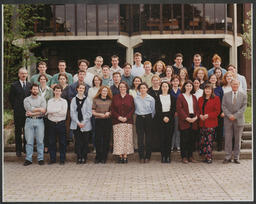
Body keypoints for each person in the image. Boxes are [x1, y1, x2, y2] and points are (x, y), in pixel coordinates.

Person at [222, 79, 247, 164]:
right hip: (228, 120)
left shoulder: (243, 95)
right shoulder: (225, 95)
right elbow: (223, 106)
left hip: (239, 120)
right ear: (231, 85)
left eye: (236, 84)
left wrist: (235, 116)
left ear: (239, 85)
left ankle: (236, 157)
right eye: (233, 84)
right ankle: (227, 157)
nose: (235, 86)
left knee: (237, 139)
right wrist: (229, 115)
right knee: (228, 139)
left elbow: (243, 108)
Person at [9, 67, 32, 157]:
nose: (23, 75)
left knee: (27, 131)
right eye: (22, 73)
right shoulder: (14, 85)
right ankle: (18, 150)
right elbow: (11, 99)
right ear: (19, 74)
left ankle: (25, 149)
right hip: (18, 112)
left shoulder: (30, 85)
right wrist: (15, 107)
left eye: (25, 73)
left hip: (27, 112)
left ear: (27, 75)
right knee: (18, 131)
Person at [176, 80, 200, 164]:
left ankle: (191, 156)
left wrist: (196, 117)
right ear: (184, 87)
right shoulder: (180, 96)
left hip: (193, 119)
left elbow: (197, 108)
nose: (189, 87)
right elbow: (179, 109)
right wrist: (186, 118)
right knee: (184, 139)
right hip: (184, 119)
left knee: (192, 139)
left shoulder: (194, 97)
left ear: (192, 87)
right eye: (187, 86)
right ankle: (184, 157)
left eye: (190, 86)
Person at [23, 84, 46, 166]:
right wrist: (39, 109)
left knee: (40, 141)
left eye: (36, 89)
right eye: (34, 89)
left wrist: (34, 111)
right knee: (29, 141)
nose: (35, 91)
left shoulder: (42, 99)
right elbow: (28, 109)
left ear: (38, 90)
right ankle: (28, 159)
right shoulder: (26, 99)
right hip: (29, 121)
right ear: (31, 90)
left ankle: (41, 159)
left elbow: (43, 111)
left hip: (40, 121)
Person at [111, 82, 135, 163]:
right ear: (119, 88)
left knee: (126, 139)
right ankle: (120, 155)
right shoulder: (115, 97)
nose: (122, 88)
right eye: (120, 87)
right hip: (117, 121)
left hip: (128, 121)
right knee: (119, 139)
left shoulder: (130, 97)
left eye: (124, 87)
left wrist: (126, 117)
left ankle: (125, 155)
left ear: (126, 88)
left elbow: (132, 109)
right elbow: (112, 109)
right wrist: (119, 117)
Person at [198, 83, 221, 164]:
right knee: (203, 141)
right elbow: (197, 110)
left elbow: (217, 111)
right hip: (202, 123)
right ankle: (205, 156)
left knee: (209, 141)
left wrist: (208, 115)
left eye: (209, 89)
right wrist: (200, 115)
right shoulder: (200, 99)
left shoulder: (216, 98)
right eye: (206, 89)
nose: (207, 90)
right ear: (204, 90)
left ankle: (209, 157)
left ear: (212, 90)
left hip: (211, 123)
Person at [70, 83, 92, 164]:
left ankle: (84, 157)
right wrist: (78, 122)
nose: (81, 90)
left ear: (84, 90)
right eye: (80, 88)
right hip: (76, 124)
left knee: (85, 141)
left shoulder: (87, 100)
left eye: (83, 88)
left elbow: (89, 112)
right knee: (78, 141)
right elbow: (72, 113)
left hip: (85, 124)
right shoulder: (73, 100)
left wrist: (83, 122)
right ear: (77, 89)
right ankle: (79, 157)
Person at [47, 85, 68, 165]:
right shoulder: (50, 101)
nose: (57, 92)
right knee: (52, 142)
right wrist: (58, 110)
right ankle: (52, 159)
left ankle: (62, 159)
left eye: (59, 91)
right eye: (56, 90)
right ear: (54, 91)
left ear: (61, 92)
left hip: (61, 123)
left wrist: (53, 111)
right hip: (51, 123)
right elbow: (49, 110)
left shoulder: (64, 101)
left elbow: (64, 113)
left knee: (62, 142)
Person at [134, 82, 155, 163]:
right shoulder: (136, 98)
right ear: (139, 89)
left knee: (148, 138)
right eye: (141, 88)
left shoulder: (151, 98)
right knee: (140, 138)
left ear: (147, 89)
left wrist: (149, 117)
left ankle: (148, 156)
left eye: (144, 88)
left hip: (148, 118)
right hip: (139, 118)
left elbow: (153, 111)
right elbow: (135, 108)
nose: (142, 89)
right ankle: (141, 156)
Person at [155, 82, 176, 163]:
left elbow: (173, 109)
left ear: (168, 88)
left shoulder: (172, 97)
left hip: (170, 119)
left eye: (166, 86)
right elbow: (157, 109)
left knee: (169, 138)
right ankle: (163, 156)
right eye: (163, 86)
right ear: (161, 87)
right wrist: (163, 117)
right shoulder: (157, 97)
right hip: (161, 119)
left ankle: (168, 156)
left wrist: (168, 117)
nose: (164, 88)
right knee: (162, 138)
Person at [92, 86, 112, 163]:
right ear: (100, 91)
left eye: (106, 91)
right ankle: (98, 156)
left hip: (107, 121)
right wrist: (100, 115)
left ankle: (104, 157)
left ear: (108, 92)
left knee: (106, 139)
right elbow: (93, 112)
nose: (104, 92)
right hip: (98, 120)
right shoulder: (95, 99)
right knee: (98, 139)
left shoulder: (110, 100)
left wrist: (109, 113)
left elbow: (112, 111)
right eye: (103, 91)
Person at [38, 74, 53, 153]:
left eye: (44, 79)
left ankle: (46, 146)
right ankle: (40, 146)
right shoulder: (36, 89)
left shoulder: (50, 90)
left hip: (47, 114)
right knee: (39, 132)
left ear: (46, 80)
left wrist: (46, 111)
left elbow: (51, 101)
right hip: (38, 113)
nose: (43, 80)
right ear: (39, 80)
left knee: (47, 131)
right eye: (41, 79)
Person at [209, 74, 224, 151]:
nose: (213, 79)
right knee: (210, 129)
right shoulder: (207, 88)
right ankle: (209, 145)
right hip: (209, 113)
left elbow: (223, 101)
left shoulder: (220, 89)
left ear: (216, 79)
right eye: (211, 78)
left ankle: (219, 145)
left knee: (219, 129)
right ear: (209, 79)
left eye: (214, 78)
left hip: (219, 112)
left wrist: (222, 111)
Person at [88, 75, 102, 153]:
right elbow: (90, 101)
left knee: (102, 131)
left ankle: (102, 147)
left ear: (100, 81)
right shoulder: (90, 90)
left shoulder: (103, 89)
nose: (97, 81)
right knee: (95, 131)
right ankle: (95, 147)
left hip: (103, 113)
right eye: (95, 80)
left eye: (98, 80)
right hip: (94, 113)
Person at [148, 75, 161, 152]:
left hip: (160, 113)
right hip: (151, 113)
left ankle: (159, 147)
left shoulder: (163, 89)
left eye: (157, 80)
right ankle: (153, 147)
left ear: (159, 81)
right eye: (154, 80)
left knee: (160, 130)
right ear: (152, 81)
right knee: (152, 131)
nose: (155, 82)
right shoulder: (149, 90)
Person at [129, 76, 142, 151]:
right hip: (134, 112)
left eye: (138, 81)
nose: (137, 82)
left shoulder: (143, 90)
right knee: (134, 129)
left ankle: (141, 146)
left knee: (141, 130)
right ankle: (135, 146)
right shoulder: (131, 91)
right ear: (133, 82)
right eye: (135, 81)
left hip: (142, 112)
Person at [170, 75, 181, 152]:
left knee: (177, 129)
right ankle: (171, 146)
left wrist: (178, 112)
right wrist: (173, 112)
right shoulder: (169, 91)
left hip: (179, 114)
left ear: (179, 82)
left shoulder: (181, 91)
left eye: (177, 81)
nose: (175, 82)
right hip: (171, 113)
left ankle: (178, 146)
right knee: (171, 129)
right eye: (174, 81)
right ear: (171, 82)